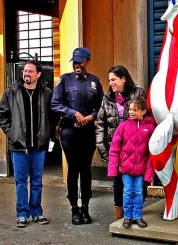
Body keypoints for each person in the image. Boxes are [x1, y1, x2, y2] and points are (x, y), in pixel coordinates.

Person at [0, 60, 54, 228]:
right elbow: (1, 115)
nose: (26, 74)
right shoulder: (12, 92)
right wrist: (11, 133)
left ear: (38, 74)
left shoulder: (47, 93)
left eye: (30, 71)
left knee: (37, 180)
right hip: (19, 146)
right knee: (21, 181)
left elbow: (53, 116)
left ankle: (36, 212)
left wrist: (47, 133)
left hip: (39, 146)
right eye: (25, 71)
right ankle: (22, 213)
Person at [51, 47, 104, 225]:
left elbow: (101, 108)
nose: (77, 64)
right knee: (73, 169)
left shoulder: (95, 82)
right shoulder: (64, 81)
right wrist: (74, 113)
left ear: (87, 61)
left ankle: (86, 208)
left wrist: (89, 117)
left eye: (80, 61)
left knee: (86, 170)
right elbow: (55, 104)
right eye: (74, 61)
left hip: (88, 132)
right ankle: (74, 207)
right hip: (70, 132)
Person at [95, 65, 147, 221]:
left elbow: (146, 118)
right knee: (118, 183)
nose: (111, 83)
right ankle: (119, 217)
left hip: (137, 148)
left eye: (113, 79)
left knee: (139, 182)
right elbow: (101, 124)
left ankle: (135, 213)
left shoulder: (138, 93)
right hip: (116, 148)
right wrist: (103, 149)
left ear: (123, 79)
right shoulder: (107, 98)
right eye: (109, 80)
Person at [108, 98, 156, 229]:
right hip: (126, 168)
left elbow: (152, 153)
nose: (131, 112)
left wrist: (149, 173)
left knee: (139, 192)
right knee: (128, 192)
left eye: (135, 110)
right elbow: (114, 148)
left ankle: (137, 216)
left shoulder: (150, 128)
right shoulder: (123, 126)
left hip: (141, 169)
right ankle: (127, 216)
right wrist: (113, 169)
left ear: (143, 111)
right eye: (130, 109)